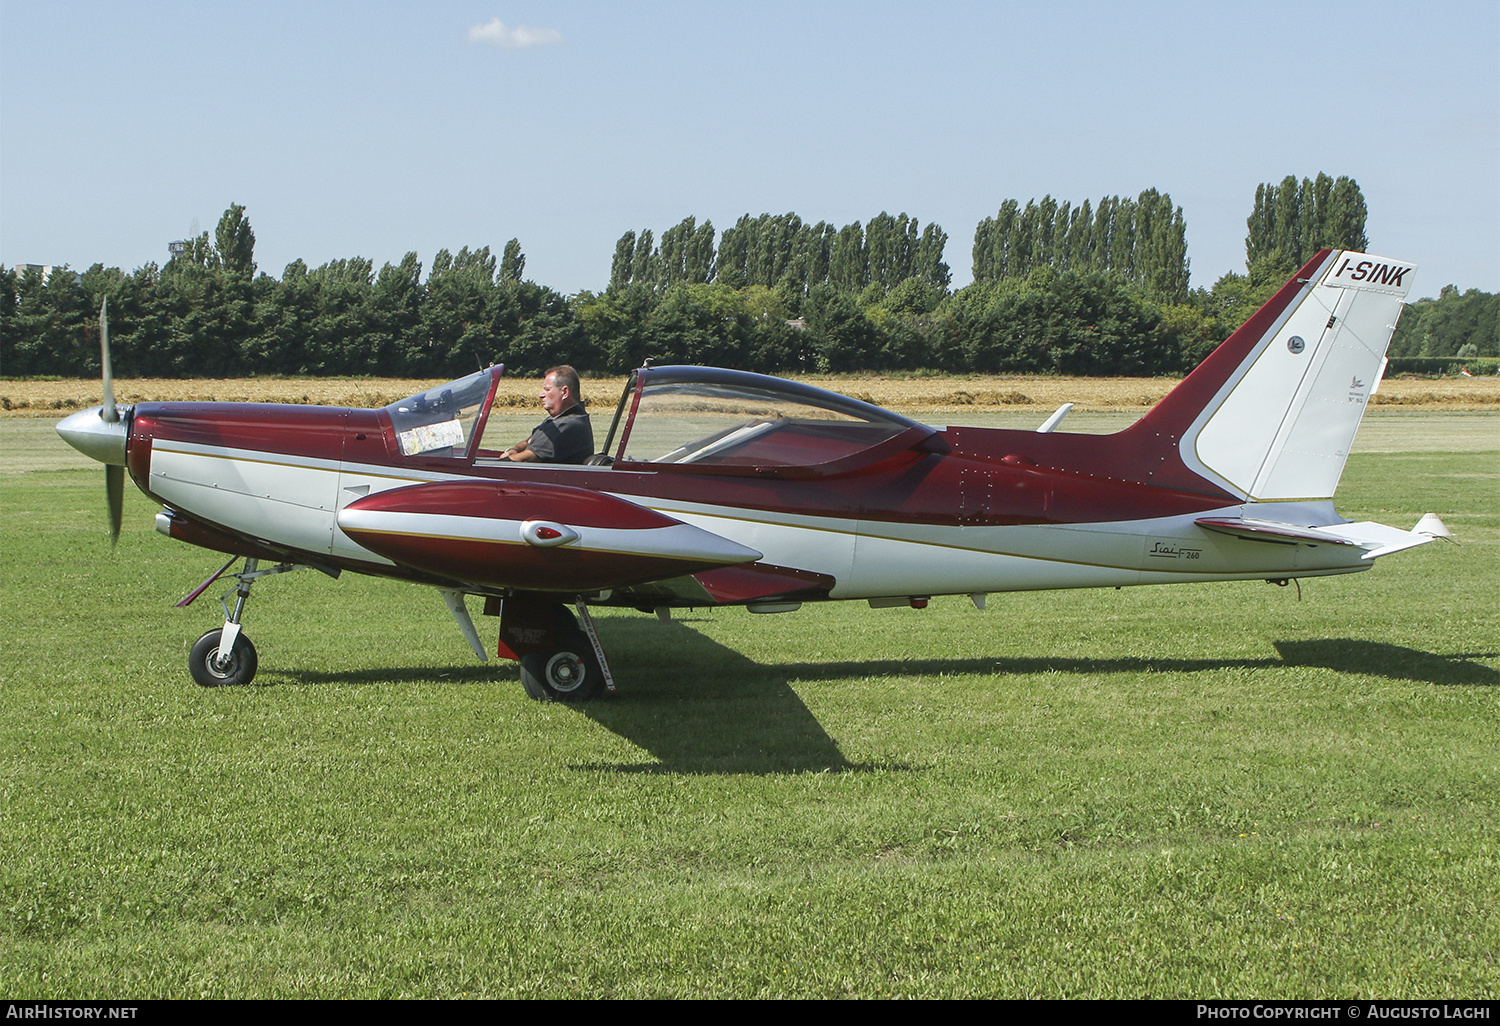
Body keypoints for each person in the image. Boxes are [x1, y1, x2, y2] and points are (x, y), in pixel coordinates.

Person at [499, 365, 594, 464]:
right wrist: (514, 449)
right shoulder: (558, 419)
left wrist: (505, 459)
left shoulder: (568, 425)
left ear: (565, 392)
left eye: (547, 389)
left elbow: (526, 459)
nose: (541, 395)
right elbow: (529, 442)